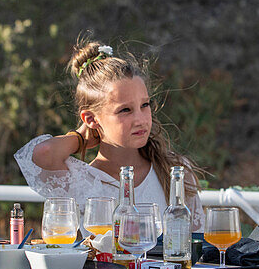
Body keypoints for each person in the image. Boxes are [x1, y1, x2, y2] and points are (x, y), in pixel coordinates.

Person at [15, 39, 203, 231]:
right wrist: (81, 137)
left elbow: (197, 251)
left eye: (144, 105)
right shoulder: (82, 182)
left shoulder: (175, 172)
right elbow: (44, 152)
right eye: (125, 110)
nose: (140, 119)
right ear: (90, 118)